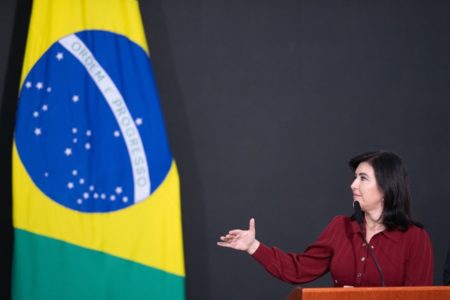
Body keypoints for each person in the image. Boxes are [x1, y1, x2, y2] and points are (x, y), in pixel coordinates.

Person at [217, 151, 434, 287]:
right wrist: (253, 246)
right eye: (354, 177)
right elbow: (299, 269)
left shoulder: (415, 238)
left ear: (387, 187)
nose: (353, 185)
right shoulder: (340, 227)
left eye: (363, 178)